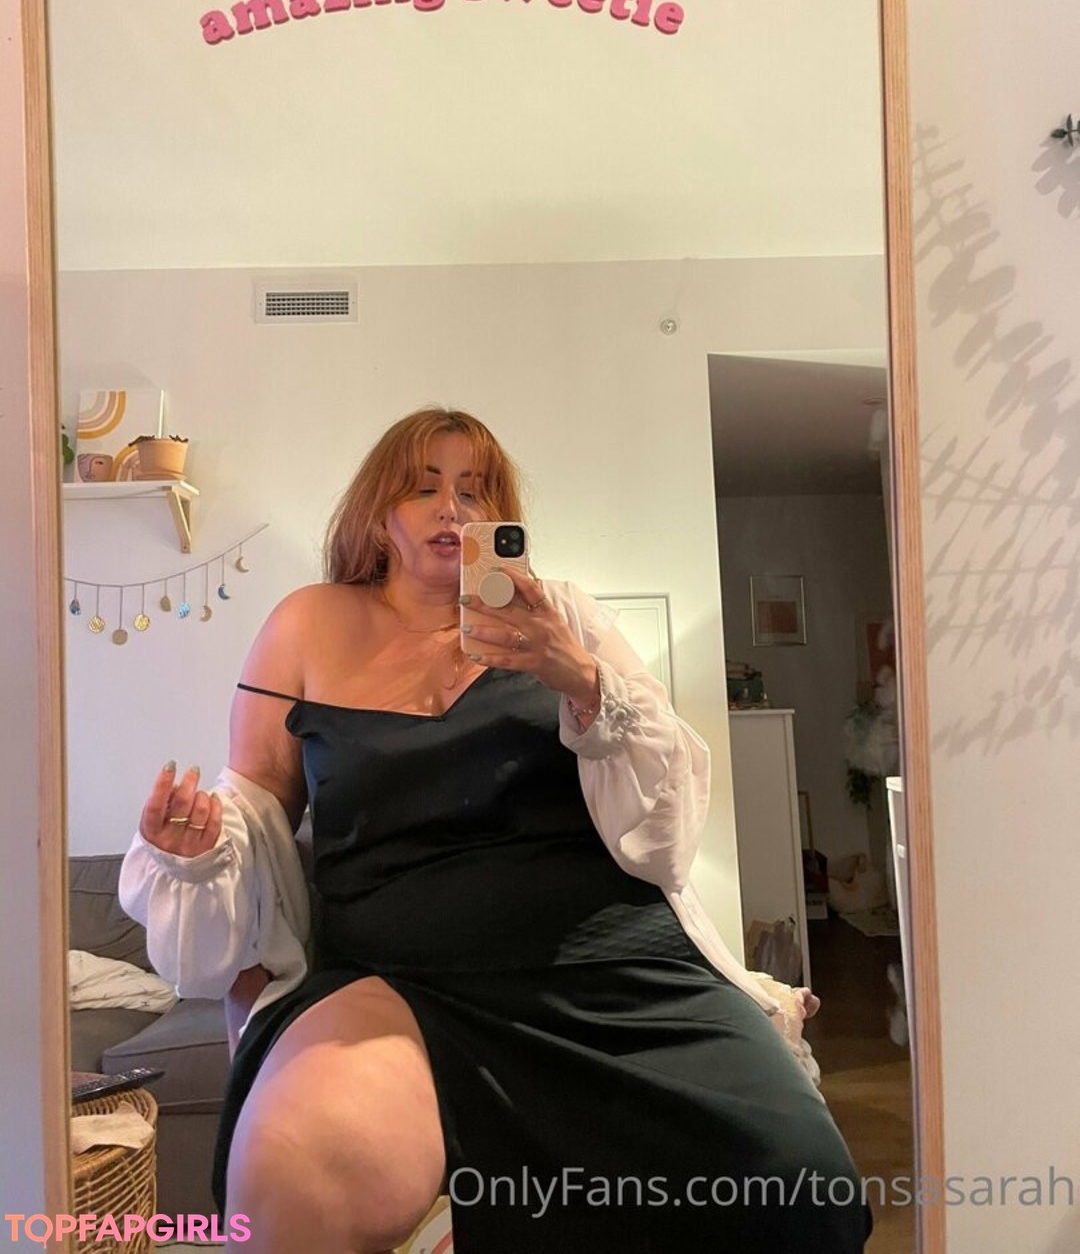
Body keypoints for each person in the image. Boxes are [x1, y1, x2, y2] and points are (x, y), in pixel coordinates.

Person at [121, 407, 871, 1253]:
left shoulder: (563, 615)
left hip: (617, 970)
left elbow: (666, 829)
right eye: (424, 486)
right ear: (378, 511)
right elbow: (256, 805)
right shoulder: (307, 624)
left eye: (474, 490)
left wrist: (579, 677)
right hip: (405, 985)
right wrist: (199, 851)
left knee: (802, 1181)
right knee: (288, 1189)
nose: (453, 507)